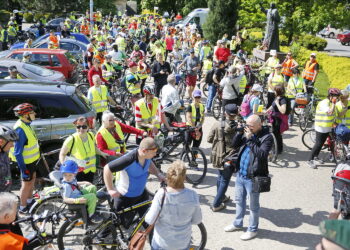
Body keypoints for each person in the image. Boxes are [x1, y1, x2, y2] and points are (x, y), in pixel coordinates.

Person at [224, 115, 273, 240]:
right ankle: (237, 223)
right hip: (241, 174)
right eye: (247, 125)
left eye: (251, 126)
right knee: (239, 201)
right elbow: (234, 145)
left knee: (253, 206)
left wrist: (250, 139)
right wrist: (239, 133)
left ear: (259, 125)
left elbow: (262, 155)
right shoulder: (247, 132)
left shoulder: (267, 137)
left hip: (253, 177)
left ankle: (252, 229)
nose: (248, 128)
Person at [145, 160, 202, 250]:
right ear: (184, 178)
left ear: (168, 176)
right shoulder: (193, 195)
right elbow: (197, 220)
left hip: (162, 243)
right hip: (182, 243)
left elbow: (150, 220)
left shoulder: (161, 194)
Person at [103, 138, 165, 215]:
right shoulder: (128, 159)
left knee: (147, 221)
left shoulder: (146, 157)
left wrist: (158, 174)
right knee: (122, 226)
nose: (155, 154)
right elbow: (107, 168)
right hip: (125, 198)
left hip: (141, 194)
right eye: (154, 152)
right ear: (144, 151)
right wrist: (110, 189)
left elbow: (150, 163)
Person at [9, 103, 40, 214]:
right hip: (25, 163)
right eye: (32, 112)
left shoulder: (26, 124)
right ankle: (22, 207)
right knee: (26, 185)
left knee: (32, 180)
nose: (34, 114)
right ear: (26, 115)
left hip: (31, 161)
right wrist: (23, 169)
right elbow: (17, 153)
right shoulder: (20, 129)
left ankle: (30, 200)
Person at [208, 104, 239, 212]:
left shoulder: (217, 124)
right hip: (230, 156)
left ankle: (219, 200)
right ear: (236, 115)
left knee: (220, 177)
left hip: (218, 154)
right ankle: (217, 202)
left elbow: (209, 139)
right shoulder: (238, 127)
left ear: (225, 113)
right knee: (225, 179)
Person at [59, 117, 109, 183]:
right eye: (78, 126)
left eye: (84, 127)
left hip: (90, 170)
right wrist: (66, 167)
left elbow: (94, 148)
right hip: (77, 172)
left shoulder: (91, 135)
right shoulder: (71, 139)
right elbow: (62, 154)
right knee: (79, 191)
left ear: (88, 127)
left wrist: (102, 153)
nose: (81, 129)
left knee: (88, 189)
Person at [307, 88, 341, 169]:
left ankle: (316, 156)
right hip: (321, 127)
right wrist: (333, 103)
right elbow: (329, 112)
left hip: (327, 126)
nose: (336, 98)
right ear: (330, 95)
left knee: (321, 143)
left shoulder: (331, 102)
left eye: (337, 96)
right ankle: (309, 160)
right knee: (318, 144)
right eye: (335, 96)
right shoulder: (324, 103)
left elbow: (334, 114)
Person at [267, 85, 289, 154]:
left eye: (275, 90)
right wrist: (266, 111)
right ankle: (277, 149)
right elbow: (272, 106)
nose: (274, 91)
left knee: (277, 135)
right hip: (275, 118)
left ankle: (278, 150)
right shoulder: (277, 98)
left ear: (278, 91)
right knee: (275, 134)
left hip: (279, 119)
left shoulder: (283, 100)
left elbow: (283, 111)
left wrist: (277, 103)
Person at [0, 125, 19, 192]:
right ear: (1, 142)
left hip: (6, 193)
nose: (13, 145)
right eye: (11, 142)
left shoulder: (4, 152)